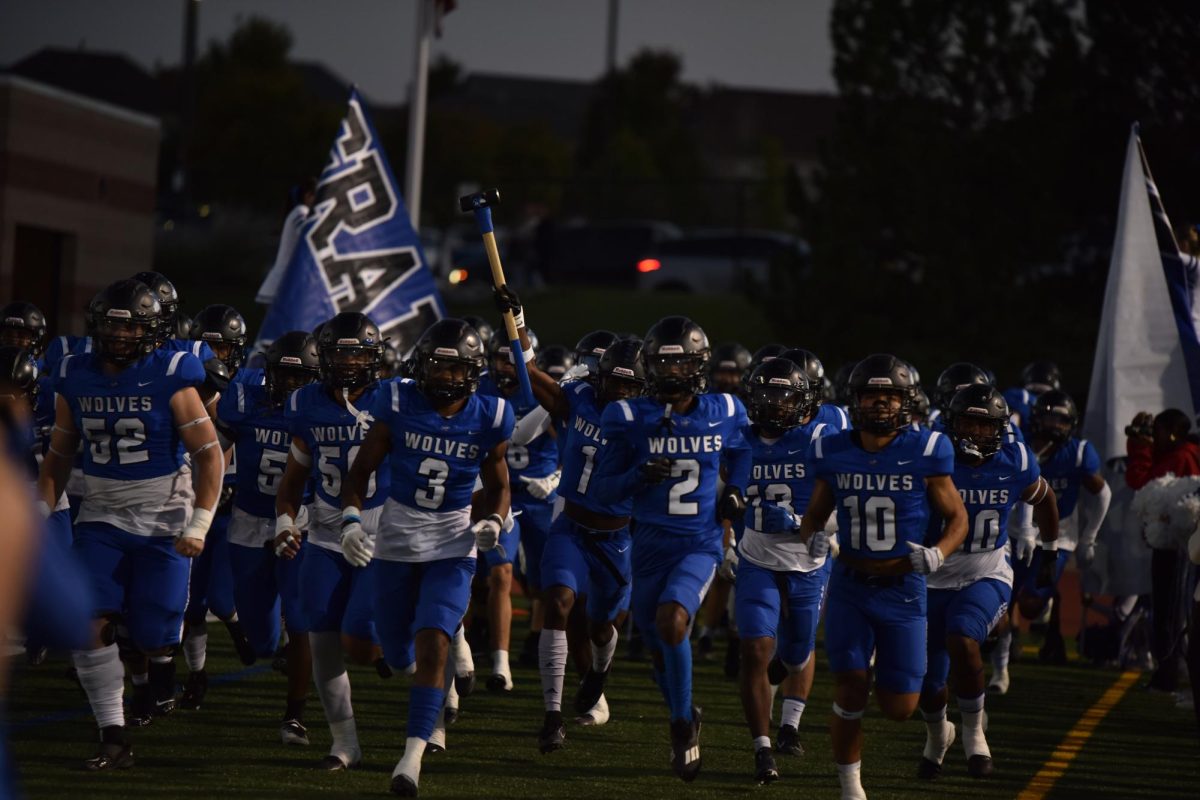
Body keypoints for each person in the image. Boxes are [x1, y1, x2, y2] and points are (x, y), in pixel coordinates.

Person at [38, 279, 223, 769]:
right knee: (89, 619)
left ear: (154, 330)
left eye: (133, 327)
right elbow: (59, 453)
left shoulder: (170, 374)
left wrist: (200, 523)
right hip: (100, 516)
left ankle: (159, 668)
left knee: (153, 632)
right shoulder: (74, 375)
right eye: (112, 327)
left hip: (164, 519)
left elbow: (209, 456)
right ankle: (113, 734)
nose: (120, 337)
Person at [341, 318, 513, 796]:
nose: (442, 377)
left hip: (452, 544)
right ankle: (438, 690)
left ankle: (411, 757)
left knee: (433, 641)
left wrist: (494, 522)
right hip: (396, 541)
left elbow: (499, 486)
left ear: (472, 372)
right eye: (435, 366)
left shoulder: (493, 414)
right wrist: (352, 520)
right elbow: (358, 475)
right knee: (397, 656)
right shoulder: (396, 401)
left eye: (453, 368)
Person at [796, 353, 968, 800]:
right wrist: (813, 537)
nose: (879, 404)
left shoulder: (927, 449)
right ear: (856, 400)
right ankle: (851, 788)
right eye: (871, 395)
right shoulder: (833, 450)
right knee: (851, 684)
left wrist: (939, 553)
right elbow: (813, 516)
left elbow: (958, 520)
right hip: (851, 585)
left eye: (889, 396)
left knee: (899, 708)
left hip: (904, 589)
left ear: (905, 402)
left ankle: (941, 729)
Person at [592, 315, 751, 782]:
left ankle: (681, 726)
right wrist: (637, 476)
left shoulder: (724, 408)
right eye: (662, 362)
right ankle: (686, 712)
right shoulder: (625, 415)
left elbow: (741, 450)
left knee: (672, 621)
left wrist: (735, 491)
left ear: (698, 364)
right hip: (646, 544)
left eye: (680, 363)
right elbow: (602, 490)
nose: (671, 372)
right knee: (660, 650)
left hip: (699, 542)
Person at [917, 385, 1057, 780]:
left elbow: (1044, 498)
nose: (976, 433)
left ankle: (975, 733)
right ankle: (936, 736)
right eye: (968, 423)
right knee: (925, 682)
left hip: (986, 569)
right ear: (952, 422)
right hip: (930, 576)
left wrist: (1049, 551)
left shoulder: (1014, 460)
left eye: (985, 425)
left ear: (999, 428)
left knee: (963, 637)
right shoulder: (932, 457)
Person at [517, 327, 644, 752]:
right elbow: (529, 370)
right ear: (600, 377)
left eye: (631, 384)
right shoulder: (579, 400)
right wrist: (515, 320)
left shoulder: (648, 421)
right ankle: (552, 715)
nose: (622, 391)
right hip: (570, 526)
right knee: (556, 602)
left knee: (603, 625)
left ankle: (599, 673)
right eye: (616, 381)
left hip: (615, 538)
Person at [274, 311, 391, 771]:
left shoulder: (394, 399)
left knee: (364, 648)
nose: (347, 363)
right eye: (339, 353)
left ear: (373, 356)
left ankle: (438, 687)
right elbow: (292, 482)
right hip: (324, 535)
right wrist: (284, 522)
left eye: (357, 352)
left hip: (380, 535)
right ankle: (345, 743)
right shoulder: (306, 403)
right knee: (321, 638)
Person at [725, 357, 837, 784]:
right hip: (757, 560)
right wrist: (728, 533)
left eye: (784, 395)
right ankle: (763, 748)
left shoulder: (822, 440)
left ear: (804, 400)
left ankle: (791, 720)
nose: (774, 404)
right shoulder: (738, 440)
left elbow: (847, 507)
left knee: (795, 653)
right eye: (766, 394)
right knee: (754, 650)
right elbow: (723, 495)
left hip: (808, 562)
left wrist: (795, 522)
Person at [217, 330, 320, 744]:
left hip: (301, 521)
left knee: (299, 620)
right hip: (248, 518)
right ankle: (270, 636)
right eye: (285, 376)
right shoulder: (244, 399)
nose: (292, 386)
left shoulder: (323, 410)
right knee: (261, 640)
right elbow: (212, 450)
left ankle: (295, 714)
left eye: (301, 378)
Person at [998, 390, 1109, 675]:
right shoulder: (1019, 444)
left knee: (1032, 604)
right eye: (1049, 418)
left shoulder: (1079, 452)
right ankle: (1005, 651)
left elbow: (1102, 492)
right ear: (1036, 419)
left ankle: (1046, 616)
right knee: (999, 600)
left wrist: (1088, 538)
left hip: (1058, 537)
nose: (1055, 426)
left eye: (1062, 420)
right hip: (1014, 530)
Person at [178, 304, 254, 709]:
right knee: (191, 602)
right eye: (208, 347)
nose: (215, 356)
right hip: (193, 497)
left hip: (234, 505)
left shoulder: (251, 387)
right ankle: (197, 674)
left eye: (223, 349)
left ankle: (237, 625)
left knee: (221, 599)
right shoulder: (182, 385)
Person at [477, 323, 559, 691]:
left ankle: (540, 642)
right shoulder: (478, 389)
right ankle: (500, 664)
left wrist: (557, 478)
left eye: (514, 359)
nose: (508, 367)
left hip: (541, 496)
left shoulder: (538, 390)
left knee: (548, 584)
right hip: (500, 494)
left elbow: (574, 442)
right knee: (500, 574)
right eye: (500, 359)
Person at [1126, 408, 1200, 692]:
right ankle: (1170, 668)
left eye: (1155, 431)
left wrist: (1141, 452)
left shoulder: (1182, 456)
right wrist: (1140, 444)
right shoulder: (1183, 453)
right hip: (1180, 545)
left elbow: (1143, 483)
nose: (1152, 437)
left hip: (1177, 547)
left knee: (1170, 611)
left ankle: (1170, 670)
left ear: (1170, 433)